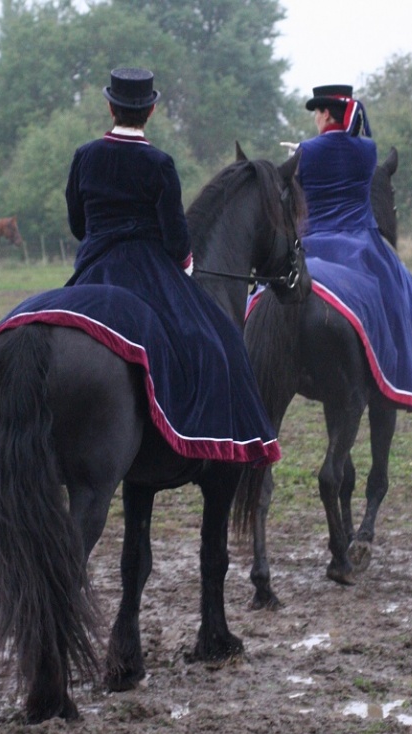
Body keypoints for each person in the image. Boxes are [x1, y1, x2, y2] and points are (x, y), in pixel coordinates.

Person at [62, 67, 279, 463]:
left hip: (95, 266)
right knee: (221, 341)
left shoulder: (85, 156)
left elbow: (79, 225)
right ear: (152, 111)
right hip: (149, 270)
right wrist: (185, 264)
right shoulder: (159, 163)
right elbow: (177, 237)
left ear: (110, 107)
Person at [296, 84, 412, 409]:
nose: (315, 119)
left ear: (326, 113)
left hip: (312, 242)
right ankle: (407, 371)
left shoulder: (305, 150)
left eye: (317, 113)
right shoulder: (368, 150)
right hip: (361, 243)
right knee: (407, 293)